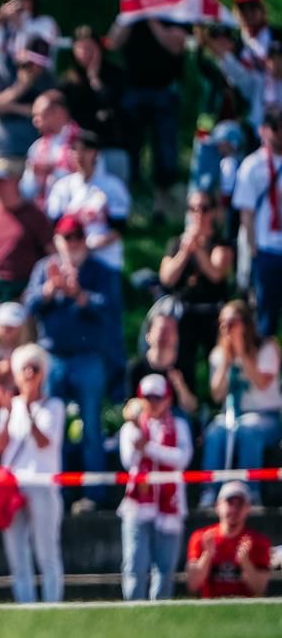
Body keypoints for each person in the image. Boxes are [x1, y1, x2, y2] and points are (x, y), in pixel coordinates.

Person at [25, 214, 120, 507]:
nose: (72, 243)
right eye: (66, 238)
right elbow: (28, 306)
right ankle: (58, 492)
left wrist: (79, 294)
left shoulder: (100, 271)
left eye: (77, 237)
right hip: (53, 359)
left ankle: (94, 494)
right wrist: (49, 291)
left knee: (91, 427)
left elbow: (108, 310)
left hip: (88, 358)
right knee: (53, 427)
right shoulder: (44, 270)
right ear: (57, 241)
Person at [0, 343, 65, 604]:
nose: (29, 375)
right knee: (16, 552)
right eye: (24, 369)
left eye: (34, 369)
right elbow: (0, 446)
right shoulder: (9, 407)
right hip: (13, 487)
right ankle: (25, 604)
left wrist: (28, 408)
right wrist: (11, 410)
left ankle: (52, 602)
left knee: (47, 550)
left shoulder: (54, 406)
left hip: (43, 483)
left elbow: (45, 441)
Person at [108, 0, 189, 214]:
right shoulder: (131, 15)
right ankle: (131, 205)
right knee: (131, 147)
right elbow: (113, 42)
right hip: (134, 90)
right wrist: (132, 12)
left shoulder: (174, 12)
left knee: (164, 151)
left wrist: (152, 16)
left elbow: (175, 45)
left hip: (165, 90)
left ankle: (160, 207)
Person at [117, 374, 191, 602]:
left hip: (170, 505)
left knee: (165, 568)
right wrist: (135, 428)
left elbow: (182, 458)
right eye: (148, 398)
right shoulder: (130, 428)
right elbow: (129, 460)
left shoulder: (179, 425)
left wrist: (148, 447)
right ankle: (132, 613)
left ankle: (160, 615)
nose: (153, 402)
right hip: (138, 505)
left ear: (168, 399)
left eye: (158, 397)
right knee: (134, 564)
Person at [203, 299, 281, 506]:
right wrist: (226, 362)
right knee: (214, 433)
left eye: (231, 322)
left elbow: (261, 382)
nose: (225, 328)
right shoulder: (218, 355)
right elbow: (217, 395)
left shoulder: (267, 347)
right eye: (222, 323)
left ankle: (251, 493)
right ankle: (210, 491)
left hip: (266, 415)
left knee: (248, 431)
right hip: (231, 416)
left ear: (245, 323)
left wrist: (242, 353)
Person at [159, 189, 233, 384]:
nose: (199, 214)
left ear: (214, 212)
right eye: (193, 209)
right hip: (184, 313)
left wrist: (198, 249)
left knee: (216, 361)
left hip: (213, 313)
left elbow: (216, 274)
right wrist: (184, 252)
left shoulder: (220, 243)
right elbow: (166, 277)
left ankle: (217, 404)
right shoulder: (176, 244)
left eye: (204, 208)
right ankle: (188, 408)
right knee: (183, 364)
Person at [45, 130, 130, 271]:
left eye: (85, 149)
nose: (79, 154)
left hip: (105, 260)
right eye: (74, 149)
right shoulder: (62, 187)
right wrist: (70, 256)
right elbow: (56, 229)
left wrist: (88, 247)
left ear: (96, 153)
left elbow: (119, 229)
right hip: (70, 261)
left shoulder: (112, 187)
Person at [232, 108, 282, 336]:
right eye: (275, 128)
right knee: (265, 317)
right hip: (265, 247)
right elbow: (247, 214)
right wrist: (253, 252)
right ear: (264, 130)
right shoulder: (252, 166)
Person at [60, 26, 129, 184]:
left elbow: (118, 108)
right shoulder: (68, 82)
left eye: (91, 48)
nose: (86, 53)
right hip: (80, 150)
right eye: (81, 48)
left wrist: (95, 81)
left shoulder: (116, 75)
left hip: (111, 146)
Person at [0, 156, 53, 304]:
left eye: (1, 181)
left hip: (24, 292)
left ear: (15, 181)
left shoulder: (34, 214)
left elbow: (51, 252)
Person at [185, 480, 272, 599]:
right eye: (230, 503)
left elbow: (260, 588)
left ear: (247, 508)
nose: (234, 509)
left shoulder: (258, 542)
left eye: (240, 504)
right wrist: (207, 555)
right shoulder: (201, 538)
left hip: (246, 609)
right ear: (218, 506)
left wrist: (245, 562)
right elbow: (192, 585)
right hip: (210, 609)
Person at [0, 41, 56, 160]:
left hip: (37, 154)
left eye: (39, 64)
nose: (36, 68)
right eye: (31, 63)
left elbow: (50, 115)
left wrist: (9, 107)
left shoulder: (47, 78)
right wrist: (20, 88)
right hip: (2, 153)